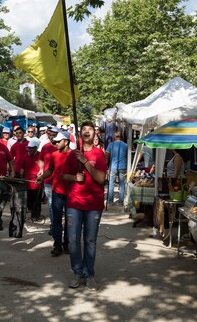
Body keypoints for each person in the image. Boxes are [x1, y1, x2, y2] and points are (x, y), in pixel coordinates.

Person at [62, 121, 107, 291]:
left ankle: (89, 275)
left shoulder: (99, 155)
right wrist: (74, 178)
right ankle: (77, 272)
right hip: (74, 202)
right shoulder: (72, 154)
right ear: (80, 134)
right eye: (84, 129)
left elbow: (101, 178)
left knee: (90, 240)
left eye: (90, 129)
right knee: (73, 239)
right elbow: (63, 176)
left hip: (93, 204)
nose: (87, 132)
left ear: (95, 134)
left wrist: (85, 162)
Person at [36, 130, 72, 256]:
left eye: (58, 141)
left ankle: (67, 244)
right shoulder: (54, 155)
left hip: (71, 193)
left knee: (69, 220)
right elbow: (50, 170)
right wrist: (42, 177)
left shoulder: (74, 155)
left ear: (66, 142)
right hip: (57, 191)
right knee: (56, 220)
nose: (56, 143)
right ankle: (57, 245)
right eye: (55, 141)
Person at [37, 126, 59, 235]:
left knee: (60, 205)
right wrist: (41, 170)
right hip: (48, 180)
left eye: (53, 134)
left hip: (61, 181)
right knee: (51, 204)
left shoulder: (62, 146)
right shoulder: (45, 147)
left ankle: (58, 224)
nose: (51, 136)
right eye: (49, 134)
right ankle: (53, 226)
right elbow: (40, 159)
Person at [20, 138, 43, 219]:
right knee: (29, 200)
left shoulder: (40, 155)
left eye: (31, 148)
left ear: (36, 148)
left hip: (37, 182)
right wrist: (21, 175)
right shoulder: (25, 155)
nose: (29, 149)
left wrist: (41, 174)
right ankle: (31, 211)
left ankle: (36, 215)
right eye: (28, 148)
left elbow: (43, 168)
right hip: (27, 182)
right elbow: (22, 167)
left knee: (37, 200)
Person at [105, 132, 128, 206]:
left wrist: (106, 164)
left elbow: (106, 155)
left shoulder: (111, 144)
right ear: (121, 137)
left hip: (113, 166)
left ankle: (109, 201)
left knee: (111, 183)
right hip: (123, 166)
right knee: (122, 184)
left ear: (114, 137)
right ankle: (120, 202)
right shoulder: (126, 145)